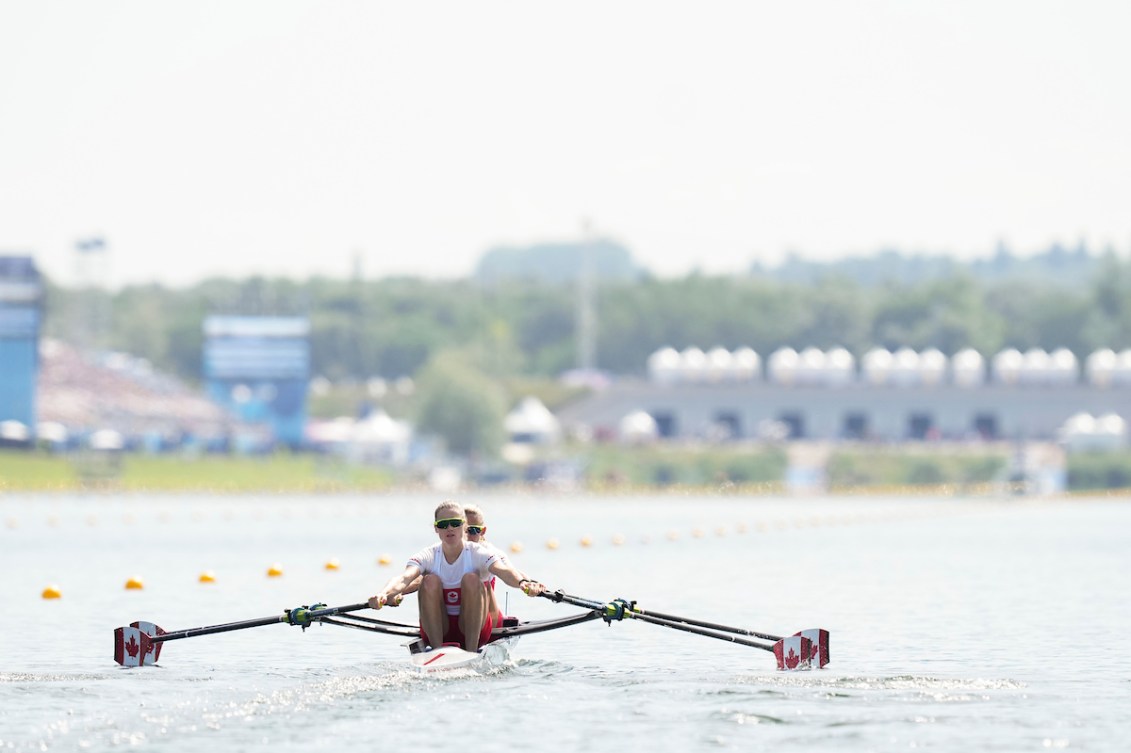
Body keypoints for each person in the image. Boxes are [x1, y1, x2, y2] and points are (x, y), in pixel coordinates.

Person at [368, 501, 544, 652]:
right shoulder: (428, 555)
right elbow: (404, 578)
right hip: (440, 628)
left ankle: (471, 652)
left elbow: (505, 571)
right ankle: (438, 652)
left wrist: (524, 583)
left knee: (471, 579)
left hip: (475, 628)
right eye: (443, 524)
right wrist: (384, 594)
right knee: (429, 580)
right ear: (436, 528)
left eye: (455, 523)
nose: (449, 528)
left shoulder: (479, 553)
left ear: (464, 527)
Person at [463, 503, 528, 627]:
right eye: (464, 530)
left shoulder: (490, 552)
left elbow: (510, 571)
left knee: (474, 578)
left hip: (487, 619)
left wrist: (525, 583)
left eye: (473, 530)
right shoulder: (445, 550)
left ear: (483, 531)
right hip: (456, 617)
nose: (467, 536)